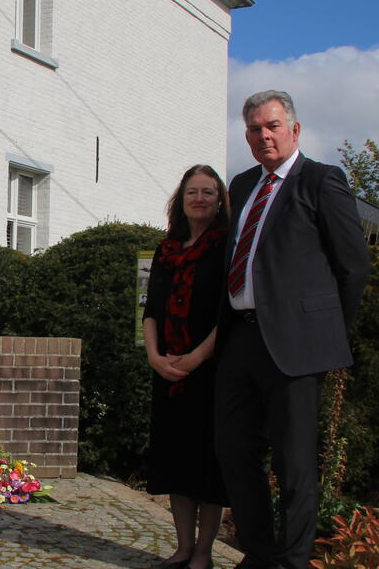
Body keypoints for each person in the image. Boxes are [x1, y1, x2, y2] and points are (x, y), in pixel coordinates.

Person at [215, 91, 370, 569]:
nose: (264, 135)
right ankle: (258, 554)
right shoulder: (240, 186)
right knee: (234, 451)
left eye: (273, 126)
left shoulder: (322, 181)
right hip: (240, 338)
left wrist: (326, 334)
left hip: (297, 347)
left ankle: (292, 562)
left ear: (294, 130)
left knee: (295, 463)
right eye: (254, 129)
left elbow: (353, 266)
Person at [144, 165, 230, 569]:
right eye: (192, 191)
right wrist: (155, 357)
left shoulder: (227, 246)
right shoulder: (166, 249)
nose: (199, 198)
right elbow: (151, 311)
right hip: (168, 373)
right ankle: (182, 547)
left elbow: (228, 313)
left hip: (210, 373)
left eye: (208, 192)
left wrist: (195, 358)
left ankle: (204, 553)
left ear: (219, 200)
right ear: (181, 199)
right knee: (176, 461)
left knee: (207, 466)